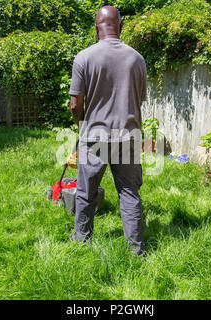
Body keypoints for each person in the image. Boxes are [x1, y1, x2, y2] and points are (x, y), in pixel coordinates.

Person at [68, 5, 147, 256]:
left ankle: (82, 239)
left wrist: (82, 126)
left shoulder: (84, 57)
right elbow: (139, 99)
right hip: (128, 136)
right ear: (120, 27)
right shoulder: (137, 58)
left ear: (96, 28)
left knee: (86, 191)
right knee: (129, 192)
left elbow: (74, 103)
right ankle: (135, 249)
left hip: (94, 136)